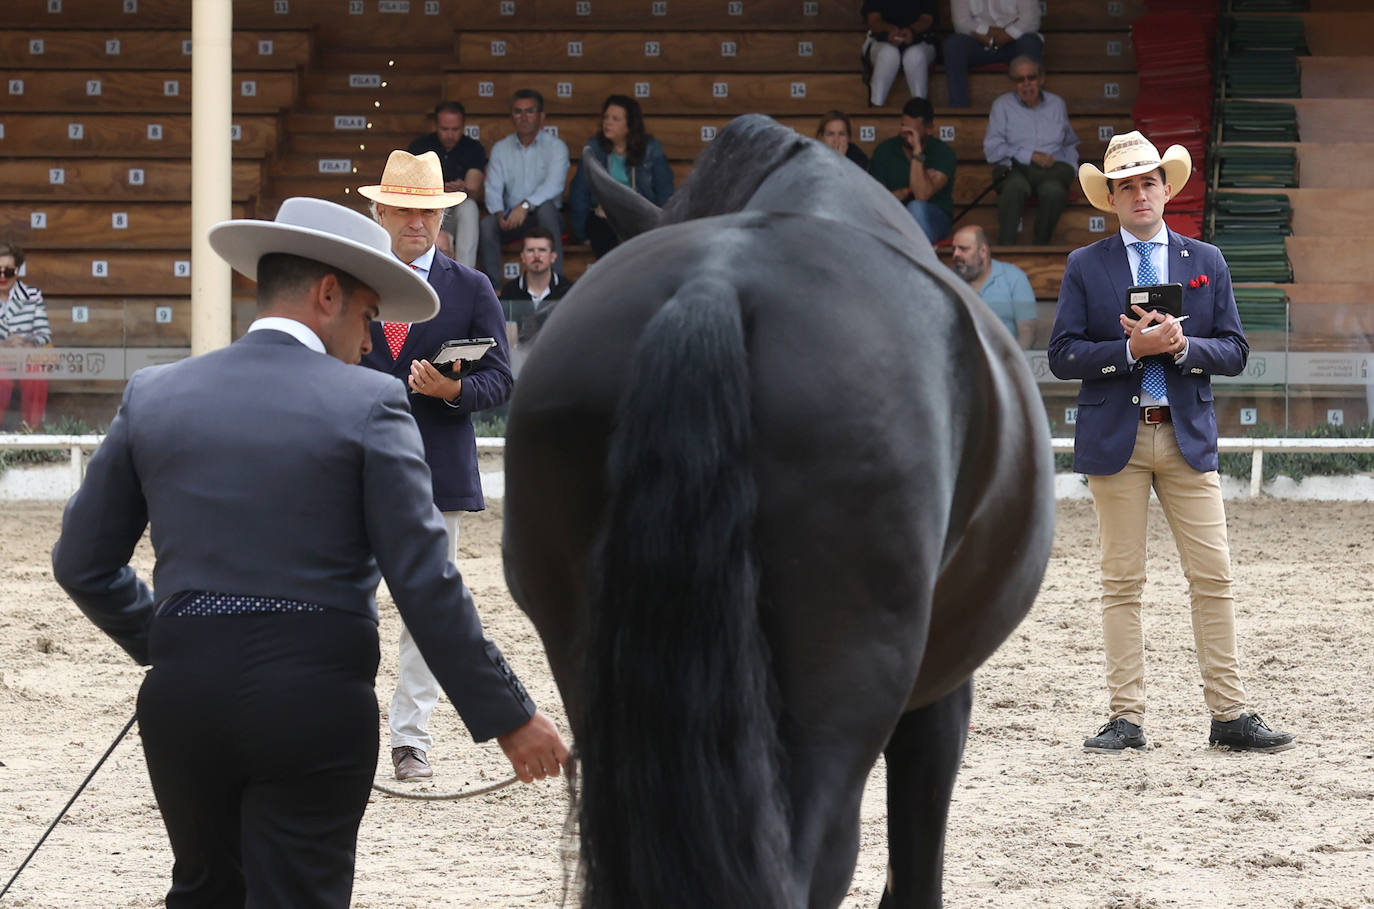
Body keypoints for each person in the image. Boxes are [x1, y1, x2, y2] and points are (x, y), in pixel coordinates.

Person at [50, 196, 568, 908]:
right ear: (328, 294)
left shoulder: (154, 394)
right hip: (313, 700)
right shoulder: (370, 404)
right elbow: (425, 584)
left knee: (203, 892)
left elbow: (80, 562)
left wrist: (175, 638)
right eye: (367, 315)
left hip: (183, 696)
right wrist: (511, 715)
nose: (369, 341)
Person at [1047, 132, 1295, 755]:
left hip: (1185, 435)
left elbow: (1236, 350)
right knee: (1120, 580)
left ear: (1165, 188)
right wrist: (1133, 350)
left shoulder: (1205, 258)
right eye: (1125, 184)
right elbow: (1062, 355)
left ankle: (1230, 713)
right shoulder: (1086, 265)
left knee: (1214, 576)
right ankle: (1125, 716)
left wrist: (1181, 347)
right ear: (1111, 197)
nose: (1138, 192)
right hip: (1118, 439)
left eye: (1147, 181)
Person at [357, 149, 516, 783]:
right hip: (357, 468)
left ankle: (410, 738)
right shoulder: (354, 282)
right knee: (350, 603)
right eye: (402, 208)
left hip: (437, 471)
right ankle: (345, 723)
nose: (414, 220)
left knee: (427, 608)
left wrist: (454, 393)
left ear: (441, 214)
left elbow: (502, 379)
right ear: (380, 211)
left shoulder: (471, 287)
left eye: (425, 209)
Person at [479, 89, 570, 288]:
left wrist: (526, 206)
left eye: (530, 111)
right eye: (518, 112)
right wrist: (499, 212)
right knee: (487, 224)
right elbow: (492, 187)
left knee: (546, 209)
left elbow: (554, 186)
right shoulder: (501, 148)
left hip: (545, 217)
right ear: (512, 116)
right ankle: (493, 289)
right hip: (513, 219)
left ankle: (556, 285)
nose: (524, 117)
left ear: (541, 116)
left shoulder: (557, 147)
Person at [983, 56, 1079, 246]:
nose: (1026, 84)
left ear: (1041, 79)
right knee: (1015, 186)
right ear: (1013, 83)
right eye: (1020, 80)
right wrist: (1029, 156)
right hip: (1014, 168)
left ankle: (1040, 249)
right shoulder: (1002, 105)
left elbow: (1070, 142)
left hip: (1051, 170)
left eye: (1031, 78)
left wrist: (1071, 165)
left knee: (1054, 190)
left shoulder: (1057, 104)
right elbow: (992, 150)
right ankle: (1006, 249)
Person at [568, 94, 674, 259]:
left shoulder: (651, 149)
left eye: (615, 119)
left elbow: (665, 191)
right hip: (604, 218)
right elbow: (579, 190)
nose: (608, 122)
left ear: (630, 125)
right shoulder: (594, 148)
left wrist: (663, 229)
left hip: (639, 216)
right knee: (602, 223)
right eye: (606, 117)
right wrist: (581, 233)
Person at [408, 100, 487, 267]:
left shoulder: (473, 148)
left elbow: (473, 187)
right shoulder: (419, 147)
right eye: (445, 129)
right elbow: (410, 187)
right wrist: (439, 190)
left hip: (455, 213)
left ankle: (466, 274)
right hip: (425, 212)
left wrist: (463, 189)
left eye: (455, 129)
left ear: (464, 126)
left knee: (470, 207)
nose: (450, 134)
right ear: (436, 126)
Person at [868, 97, 957, 243]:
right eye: (903, 127)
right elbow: (882, 201)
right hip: (894, 219)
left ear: (929, 130)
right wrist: (908, 190)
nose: (905, 134)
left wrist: (917, 152)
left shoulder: (943, 152)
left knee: (916, 208)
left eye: (912, 132)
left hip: (934, 217)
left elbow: (921, 195)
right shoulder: (884, 150)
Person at [943, 0, 1044, 109]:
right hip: (979, 41)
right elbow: (961, 23)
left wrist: (1006, 35)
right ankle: (959, 109)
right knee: (954, 44)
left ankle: (1035, 107)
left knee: (1031, 42)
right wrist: (990, 33)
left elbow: (1031, 19)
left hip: (1015, 41)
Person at [949, 225, 1036, 348]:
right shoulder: (947, 278)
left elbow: (1027, 330)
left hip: (1003, 359)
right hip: (960, 361)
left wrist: (1012, 364)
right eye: (954, 249)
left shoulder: (1014, 277)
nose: (955, 254)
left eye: (963, 249)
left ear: (983, 251)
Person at [0, 241, 50, 429]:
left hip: (25, 356)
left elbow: (44, 334)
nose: (3, 276)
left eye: (9, 271)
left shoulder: (32, 295)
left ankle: (30, 433)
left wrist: (24, 341)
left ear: (18, 271)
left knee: (35, 373)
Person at [860, 0, 938, 107]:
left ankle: (920, 111)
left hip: (920, 40)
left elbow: (927, 18)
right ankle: (875, 109)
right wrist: (889, 30)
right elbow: (873, 19)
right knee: (889, 54)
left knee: (914, 56)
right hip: (881, 41)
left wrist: (912, 31)